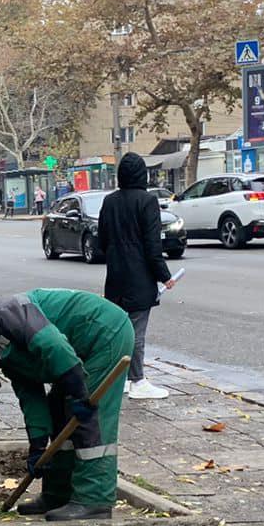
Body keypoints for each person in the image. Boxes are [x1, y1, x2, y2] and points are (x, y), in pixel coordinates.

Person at [0, 289, 134, 521]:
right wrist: (38, 447)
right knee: (58, 411)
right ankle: (58, 494)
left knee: (88, 420)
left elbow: (53, 345)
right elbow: (30, 394)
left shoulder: (6, 315)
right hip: (73, 349)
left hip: (103, 333)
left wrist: (81, 395)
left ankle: (94, 501)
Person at [97, 153, 177, 400]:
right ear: (143, 174)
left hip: (115, 277)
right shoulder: (147, 201)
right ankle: (137, 380)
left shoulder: (109, 201)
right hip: (139, 278)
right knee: (137, 332)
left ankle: (118, 379)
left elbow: (102, 240)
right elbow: (153, 247)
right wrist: (165, 277)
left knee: (118, 330)